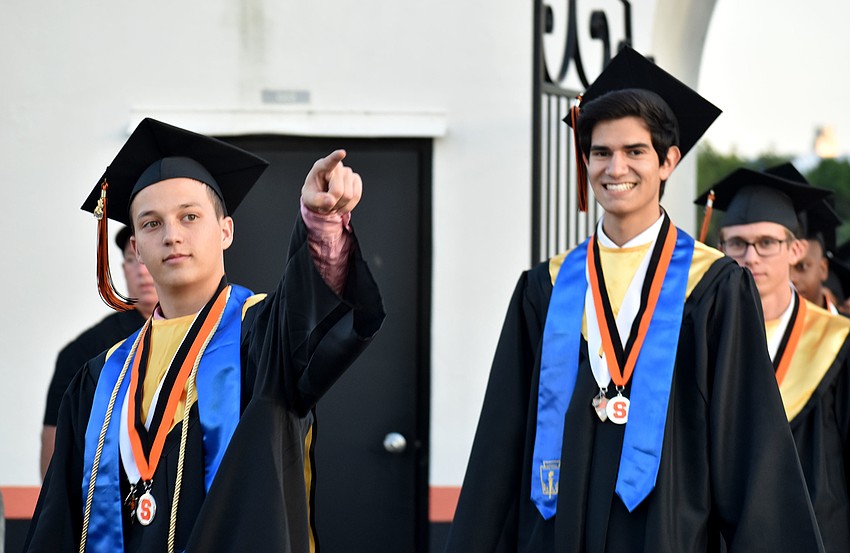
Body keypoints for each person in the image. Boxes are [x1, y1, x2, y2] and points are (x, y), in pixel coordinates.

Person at [445, 47, 824, 552]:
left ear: (668, 161)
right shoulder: (546, 287)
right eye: (601, 152)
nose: (615, 167)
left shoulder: (713, 287)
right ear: (585, 160)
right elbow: (500, 443)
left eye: (635, 151)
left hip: (668, 536)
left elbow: (749, 449)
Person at [25, 118, 385, 552]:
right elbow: (59, 521)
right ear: (136, 248)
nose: (172, 235)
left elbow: (313, 306)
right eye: (151, 224)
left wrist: (322, 222)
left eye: (190, 216)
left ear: (226, 231)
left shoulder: (264, 335)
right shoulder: (101, 377)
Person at [696, 167, 850, 552]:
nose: (751, 257)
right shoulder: (699, 340)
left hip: (817, 534)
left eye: (767, 242)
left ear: (795, 250)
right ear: (720, 248)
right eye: (737, 243)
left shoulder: (837, 342)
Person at [41, 226, 158, 478]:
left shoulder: (207, 335)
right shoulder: (85, 351)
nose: (141, 270)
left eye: (148, 255)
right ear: (123, 269)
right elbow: (54, 443)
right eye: (132, 259)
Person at [762, 163, 844, 313]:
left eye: (801, 267)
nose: (790, 279)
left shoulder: (844, 327)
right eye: (783, 267)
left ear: (823, 268)